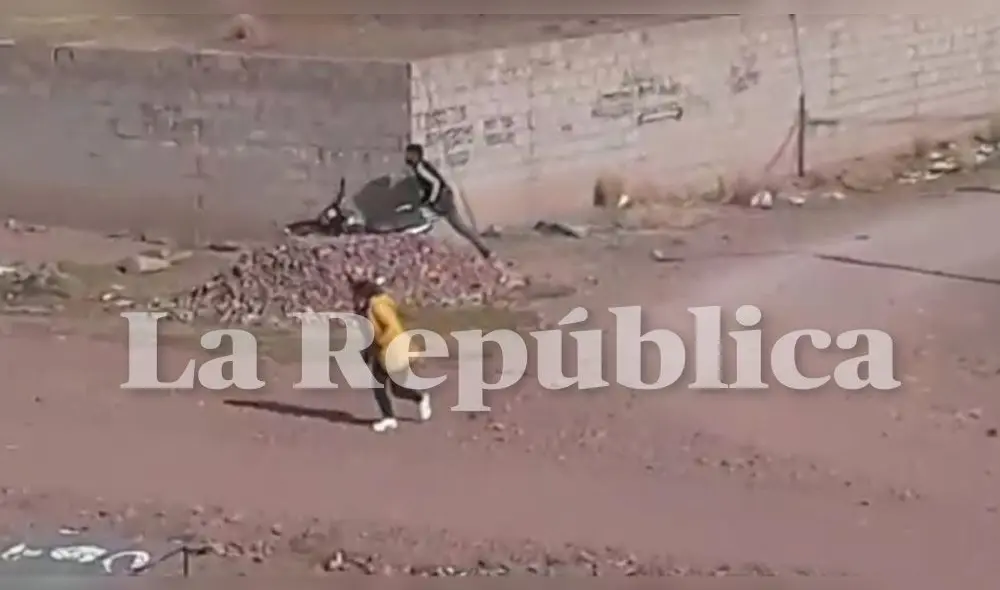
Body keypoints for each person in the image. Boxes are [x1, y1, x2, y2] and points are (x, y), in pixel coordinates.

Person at [351, 277, 432, 433]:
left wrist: (380, 342)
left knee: (391, 388)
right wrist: (368, 352)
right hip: (382, 352)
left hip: (393, 351)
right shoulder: (368, 307)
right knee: (387, 387)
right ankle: (393, 415)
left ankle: (415, 401)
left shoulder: (378, 306)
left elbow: (391, 327)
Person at [404, 143, 493, 259]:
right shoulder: (420, 166)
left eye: (409, 154)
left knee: (424, 222)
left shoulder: (420, 168)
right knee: (460, 227)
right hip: (443, 197)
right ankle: (484, 249)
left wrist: (431, 200)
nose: (407, 156)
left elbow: (436, 183)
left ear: (415, 155)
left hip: (441, 200)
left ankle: (423, 251)